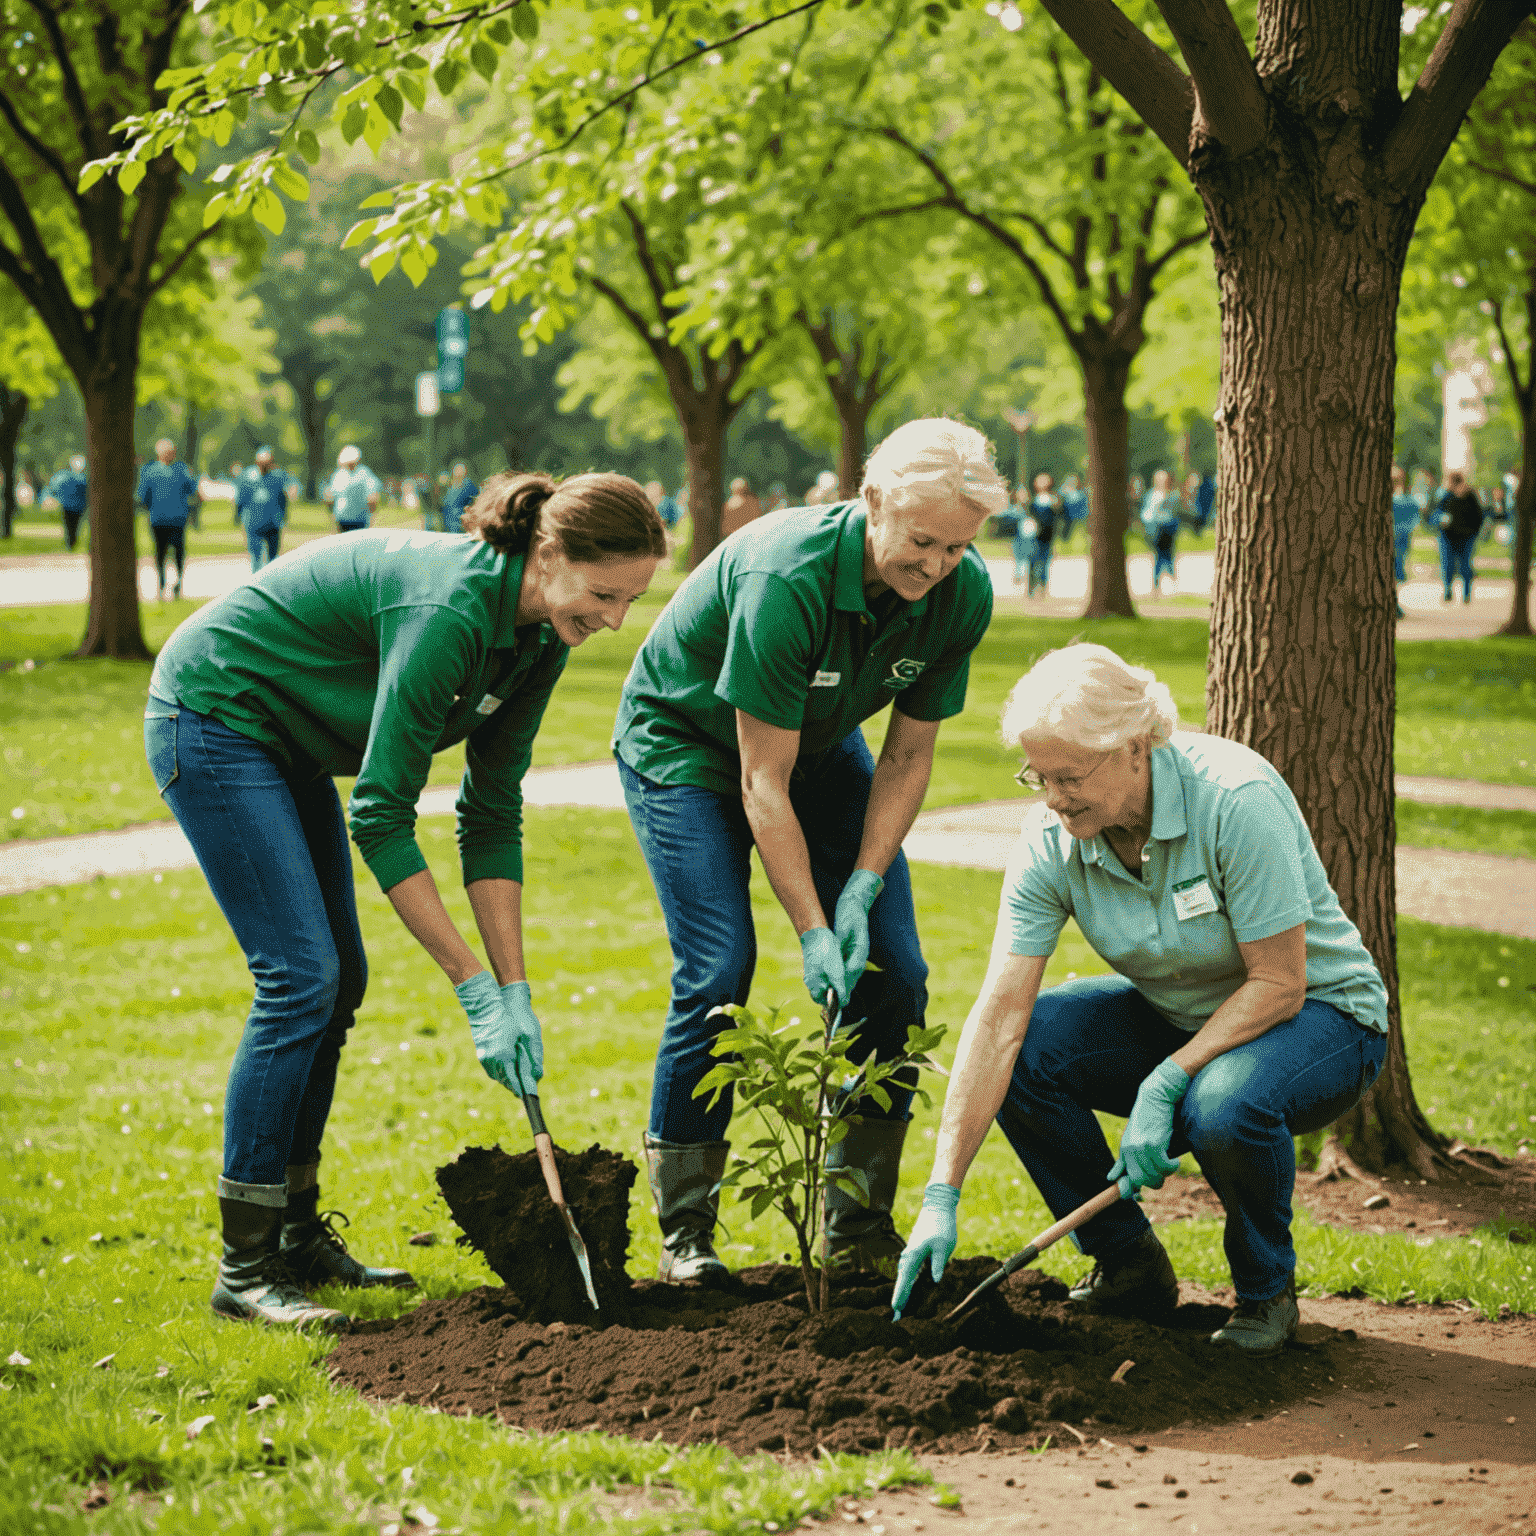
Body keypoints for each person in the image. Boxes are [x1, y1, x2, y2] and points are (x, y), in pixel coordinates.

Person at [144, 472, 666, 1331]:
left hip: (291, 739)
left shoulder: (541, 638)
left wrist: (517, 990)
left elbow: (491, 813)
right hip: (216, 713)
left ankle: (296, 1235)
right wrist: (470, 987)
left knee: (337, 981)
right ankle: (244, 1270)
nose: (614, 619)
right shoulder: (453, 613)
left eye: (631, 599)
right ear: (546, 554)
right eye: (604, 594)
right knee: (299, 978)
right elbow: (382, 813)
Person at [890, 644, 1389, 1356]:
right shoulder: (1052, 843)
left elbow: (1280, 981)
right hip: (1184, 1017)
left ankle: (1264, 1295)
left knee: (1222, 1105)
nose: (1054, 797)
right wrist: (943, 1190)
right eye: (1039, 776)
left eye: (1069, 776)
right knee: (1029, 1049)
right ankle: (1129, 1266)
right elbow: (1000, 1015)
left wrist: (1167, 1078)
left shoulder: (1235, 800)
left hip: (1322, 1019)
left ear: (1134, 745)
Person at [613, 418, 1005, 1284]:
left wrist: (863, 886)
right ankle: (687, 1232)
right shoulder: (784, 575)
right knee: (719, 969)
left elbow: (907, 755)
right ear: (871, 502)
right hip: (688, 745)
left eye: (956, 546)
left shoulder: (959, 592)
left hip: (822, 747)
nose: (936, 564)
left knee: (896, 972)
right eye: (921, 540)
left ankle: (856, 1225)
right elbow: (761, 782)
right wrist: (812, 928)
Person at [136, 438, 200, 600]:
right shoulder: (149, 471)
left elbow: (192, 489)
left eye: (172, 452)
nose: (171, 455)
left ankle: (178, 582)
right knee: (160, 553)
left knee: (179, 552)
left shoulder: (181, 470)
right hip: (158, 520)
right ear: (159, 453)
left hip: (177, 519)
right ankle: (162, 583)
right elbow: (143, 496)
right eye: (167, 452)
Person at [237, 446, 288, 573]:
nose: (264, 466)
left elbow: (282, 499)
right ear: (257, 462)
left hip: (272, 522)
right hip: (254, 524)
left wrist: (283, 516)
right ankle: (256, 581)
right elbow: (241, 499)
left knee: (273, 558)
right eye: (262, 463)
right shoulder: (248, 477)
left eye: (267, 463)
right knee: (256, 556)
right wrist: (238, 515)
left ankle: (272, 582)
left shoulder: (277, 477)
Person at [1436, 470, 1483, 604]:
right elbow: (1437, 513)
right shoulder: (1446, 496)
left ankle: (1466, 593)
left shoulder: (1470, 496)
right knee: (1448, 565)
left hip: (1466, 537)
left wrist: (1473, 533)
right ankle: (1448, 591)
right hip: (1448, 536)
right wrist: (1441, 521)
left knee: (1465, 566)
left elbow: (1478, 517)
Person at [1139, 470, 1181, 596]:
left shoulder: (1172, 495)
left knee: (1167, 554)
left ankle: (1166, 581)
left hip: (1168, 528)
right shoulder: (1152, 495)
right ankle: (1162, 582)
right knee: (1161, 555)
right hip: (1157, 528)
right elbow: (1146, 514)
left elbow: (1175, 511)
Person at [325, 445, 381, 532]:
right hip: (342, 519)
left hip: (360, 520)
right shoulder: (339, 474)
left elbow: (373, 496)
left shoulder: (364, 473)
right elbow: (330, 496)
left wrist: (372, 514)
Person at [1390, 465, 1421, 619]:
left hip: (1399, 540)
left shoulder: (1407, 501)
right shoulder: (1403, 500)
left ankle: (1394, 603)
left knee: (1395, 572)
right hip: (1397, 540)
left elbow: (1414, 519)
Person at [1026, 472, 1060, 597]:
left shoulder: (1053, 500)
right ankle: (1031, 588)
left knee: (1044, 562)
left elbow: (1057, 517)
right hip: (1034, 537)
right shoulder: (1033, 501)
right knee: (1033, 561)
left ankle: (1042, 588)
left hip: (1047, 537)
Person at [45, 454, 89, 550]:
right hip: (72, 506)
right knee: (72, 525)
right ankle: (71, 542)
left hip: (74, 506)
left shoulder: (74, 477)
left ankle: (70, 542)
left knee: (72, 525)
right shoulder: (76, 478)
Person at [441, 462, 480, 534]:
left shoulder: (468, 484)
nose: (458, 472)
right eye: (456, 470)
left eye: (461, 470)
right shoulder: (451, 486)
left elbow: (477, 500)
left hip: (461, 522)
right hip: (448, 522)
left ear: (465, 472)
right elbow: (446, 503)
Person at [1058, 473, 1089, 546]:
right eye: (1071, 481)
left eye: (1074, 481)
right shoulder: (1063, 493)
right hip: (1067, 518)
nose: (1073, 483)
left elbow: (1084, 507)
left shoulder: (1081, 494)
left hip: (1080, 518)